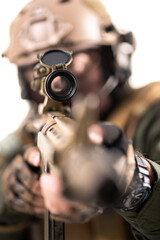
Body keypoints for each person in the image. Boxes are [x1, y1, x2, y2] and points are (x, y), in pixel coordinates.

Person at [1, 0, 160, 240]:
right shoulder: (21, 141)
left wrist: (135, 183)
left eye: (77, 60)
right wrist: (12, 199)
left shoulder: (151, 113)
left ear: (114, 58)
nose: (56, 82)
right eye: (35, 68)